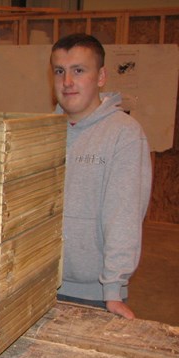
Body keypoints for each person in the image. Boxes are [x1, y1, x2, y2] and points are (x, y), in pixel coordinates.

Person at [50, 33, 152, 320]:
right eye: (60, 71)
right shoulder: (43, 131)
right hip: (39, 284)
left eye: (79, 71)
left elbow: (124, 216)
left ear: (102, 76)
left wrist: (113, 290)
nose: (67, 82)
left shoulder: (124, 134)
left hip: (93, 293)